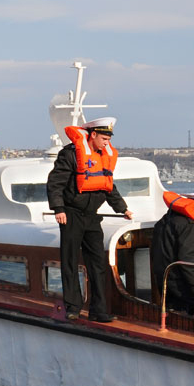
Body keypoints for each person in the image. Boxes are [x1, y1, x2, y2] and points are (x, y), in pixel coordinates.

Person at [46, 116, 134, 322]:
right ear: (93, 135)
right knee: (69, 262)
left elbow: (108, 186)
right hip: (71, 214)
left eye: (108, 138)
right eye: (104, 137)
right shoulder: (70, 154)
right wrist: (58, 208)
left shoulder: (105, 156)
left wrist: (123, 209)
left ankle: (98, 310)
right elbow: (55, 183)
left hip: (92, 217)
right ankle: (73, 307)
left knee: (97, 264)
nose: (107, 142)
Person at [151, 191, 194, 320]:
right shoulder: (190, 224)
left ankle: (175, 333)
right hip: (179, 278)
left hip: (163, 276)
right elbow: (187, 257)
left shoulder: (164, 221)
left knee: (176, 311)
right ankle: (191, 333)